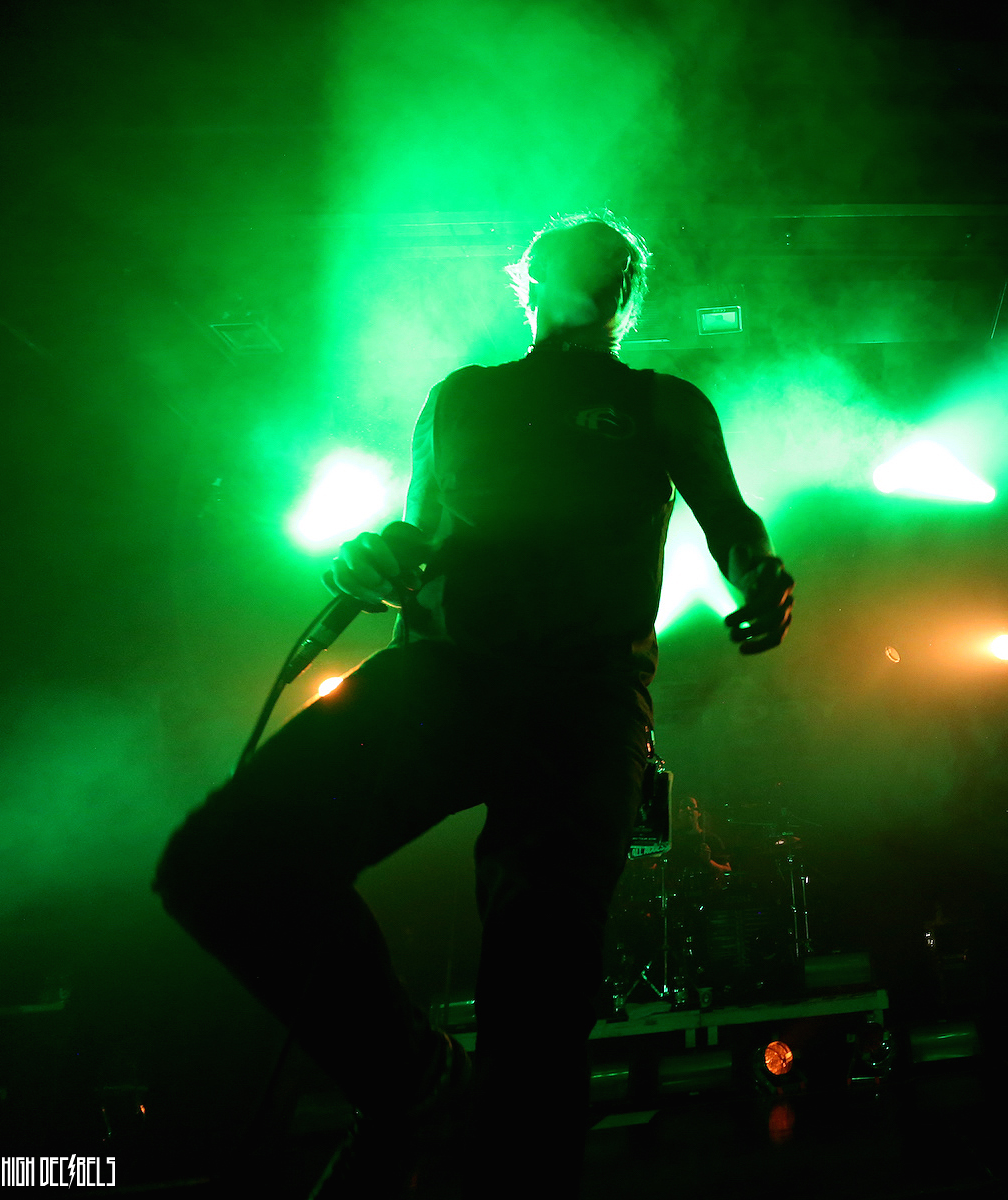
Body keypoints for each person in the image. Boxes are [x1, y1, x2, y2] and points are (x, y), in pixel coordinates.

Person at [152, 210, 796, 1197]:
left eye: (607, 267)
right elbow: (417, 538)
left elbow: (735, 527)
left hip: (585, 709)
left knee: (537, 1007)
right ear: (528, 283)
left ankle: (473, 1133)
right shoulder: (459, 399)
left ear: (625, 294)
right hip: (447, 676)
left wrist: (762, 578)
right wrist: (368, 561)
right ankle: (415, 1084)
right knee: (221, 862)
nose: (586, 278)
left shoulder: (664, 405)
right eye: (567, 264)